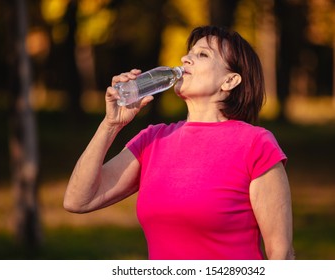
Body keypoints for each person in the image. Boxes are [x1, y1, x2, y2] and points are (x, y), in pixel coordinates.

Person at [64, 26, 294, 260]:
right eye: (189, 53)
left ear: (230, 81)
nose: (185, 59)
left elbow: (281, 254)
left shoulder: (255, 144)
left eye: (202, 54)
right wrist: (110, 124)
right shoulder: (152, 139)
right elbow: (78, 200)